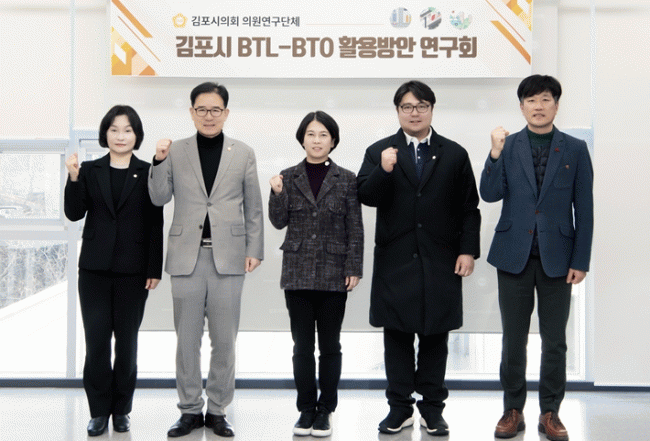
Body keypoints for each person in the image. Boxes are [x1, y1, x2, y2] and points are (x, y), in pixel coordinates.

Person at [357, 81, 481, 436]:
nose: (415, 113)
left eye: (421, 106)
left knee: (435, 337)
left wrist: (467, 250)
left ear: (431, 109)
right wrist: (383, 170)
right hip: (396, 261)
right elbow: (365, 195)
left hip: (440, 259)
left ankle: (432, 409)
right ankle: (399, 409)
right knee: (396, 338)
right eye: (408, 107)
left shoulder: (454, 153)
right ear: (398, 111)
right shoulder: (380, 151)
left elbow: (469, 208)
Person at [480, 75, 593, 441]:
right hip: (513, 255)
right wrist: (494, 154)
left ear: (556, 105)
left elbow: (585, 210)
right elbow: (489, 193)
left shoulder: (575, 149)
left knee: (555, 340)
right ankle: (512, 410)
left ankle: (550, 412)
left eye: (545, 99)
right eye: (531, 100)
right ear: (521, 107)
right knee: (513, 340)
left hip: (558, 259)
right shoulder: (508, 145)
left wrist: (581, 260)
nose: (538, 106)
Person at [148, 81, 264, 438]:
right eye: (202, 109)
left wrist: (254, 249)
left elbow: (253, 207)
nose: (208, 116)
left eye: (215, 110)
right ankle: (188, 410)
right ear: (191, 112)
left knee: (224, 340)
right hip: (187, 257)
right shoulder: (176, 151)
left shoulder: (243, 153)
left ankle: (217, 410)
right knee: (187, 340)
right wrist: (158, 161)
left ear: (226, 113)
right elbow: (158, 197)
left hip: (230, 257)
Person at [64, 105, 163, 436]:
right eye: (114, 130)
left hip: (133, 272)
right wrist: (73, 177)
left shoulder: (147, 171)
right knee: (96, 344)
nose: (121, 136)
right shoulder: (89, 170)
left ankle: (121, 410)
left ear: (137, 135)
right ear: (105, 134)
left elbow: (155, 223)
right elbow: (74, 213)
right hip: (93, 270)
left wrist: (154, 268)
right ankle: (98, 412)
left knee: (127, 344)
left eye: (128, 130)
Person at [268, 111, 363, 437]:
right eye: (311, 134)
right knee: (302, 347)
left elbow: (355, 228)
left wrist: (354, 267)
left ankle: (326, 410)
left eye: (323, 134)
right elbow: (278, 222)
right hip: (297, 272)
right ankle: (306, 409)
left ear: (333, 140)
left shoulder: (346, 179)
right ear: (302, 139)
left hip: (334, 273)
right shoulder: (287, 176)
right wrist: (277, 193)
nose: (317, 140)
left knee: (330, 346)